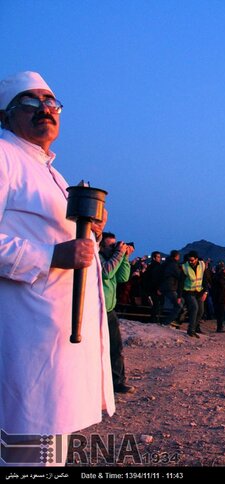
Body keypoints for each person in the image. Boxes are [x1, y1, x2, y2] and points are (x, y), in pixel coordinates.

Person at [0, 71, 114, 466]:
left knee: (52, 449)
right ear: (6, 116)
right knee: (27, 451)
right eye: (29, 102)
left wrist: (91, 236)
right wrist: (52, 256)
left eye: (50, 102)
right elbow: (55, 252)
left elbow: (69, 248)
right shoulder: (4, 157)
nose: (44, 108)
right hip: (25, 342)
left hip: (56, 344)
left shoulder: (52, 174)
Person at [99, 233, 136, 394]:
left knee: (116, 348)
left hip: (109, 310)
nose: (115, 249)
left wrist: (125, 258)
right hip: (96, 311)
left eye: (116, 245)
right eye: (111, 246)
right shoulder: (97, 259)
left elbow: (122, 277)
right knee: (98, 349)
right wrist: (119, 254)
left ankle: (117, 382)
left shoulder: (113, 259)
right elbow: (106, 273)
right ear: (100, 246)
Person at [181, 250, 208, 338]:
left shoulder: (202, 265)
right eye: (189, 260)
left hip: (199, 291)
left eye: (192, 260)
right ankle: (191, 330)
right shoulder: (185, 267)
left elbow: (204, 279)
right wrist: (179, 295)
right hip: (189, 291)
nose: (190, 262)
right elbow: (181, 282)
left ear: (196, 259)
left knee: (201, 311)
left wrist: (205, 292)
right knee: (194, 308)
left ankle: (194, 327)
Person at [158, 250, 184, 327]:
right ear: (176, 256)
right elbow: (179, 276)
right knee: (178, 305)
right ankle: (166, 322)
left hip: (167, 287)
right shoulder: (173, 265)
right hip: (170, 287)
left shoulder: (167, 263)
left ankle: (173, 320)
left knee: (181, 302)